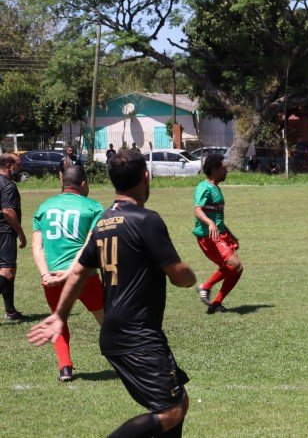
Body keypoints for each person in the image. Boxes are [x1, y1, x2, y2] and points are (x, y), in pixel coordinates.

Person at [28, 149, 197, 437]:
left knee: (177, 400)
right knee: (171, 410)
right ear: (146, 176)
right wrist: (190, 276)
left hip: (117, 334)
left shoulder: (104, 221)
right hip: (138, 335)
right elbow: (179, 276)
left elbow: (78, 271)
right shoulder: (146, 220)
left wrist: (60, 315)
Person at [31, 166, 105, 382]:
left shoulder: (44, 206)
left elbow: (38, 247)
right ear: (83, 184)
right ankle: (126, 360)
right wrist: (72, 271)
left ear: (62, 182)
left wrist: (45, 274)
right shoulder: (93, 207)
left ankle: (65, 367)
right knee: (105, 319)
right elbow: (89, 246)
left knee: (58, 319)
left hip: (51, 277)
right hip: (83, 276)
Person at [194, 154, 244, 314]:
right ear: (215, 170)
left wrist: (230, 234)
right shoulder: (204, 187)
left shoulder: (216, 188)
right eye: (224, 168)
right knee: (233, 264)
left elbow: (217, 219)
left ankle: (216, 303)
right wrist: (209, 224)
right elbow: (197, 210)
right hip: (207, 236)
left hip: (220, 234)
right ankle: (205, 286)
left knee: (238, 268)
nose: (226, 170)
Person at [0, 153, 25, 320]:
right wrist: (21, 233)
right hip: (4, 232)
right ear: (9, 166)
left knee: (7, 271)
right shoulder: (8, 185)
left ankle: (10, 310)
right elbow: (8, 212)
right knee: (7, 272)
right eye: (18, 165)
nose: (20, 168)